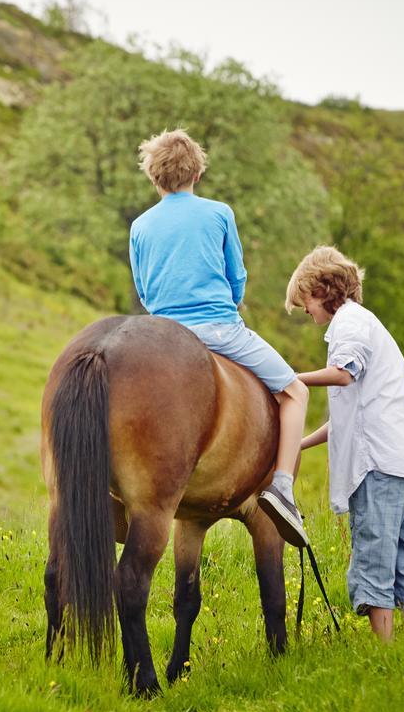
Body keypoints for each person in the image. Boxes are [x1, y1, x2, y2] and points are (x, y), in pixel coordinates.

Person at [128, 128, 310, 545]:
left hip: (164, 335)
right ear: (197, 173)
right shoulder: (219, 213)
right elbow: (237, 277)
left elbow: (143, 288)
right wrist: (232, 301)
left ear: (154, 178)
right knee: (296, 391)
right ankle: (282, 486)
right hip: (219, 329)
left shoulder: (139, 225)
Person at [286, 245, 404, 640]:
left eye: (304, 301)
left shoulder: (348, 325)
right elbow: (346, 416)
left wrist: (288, 377)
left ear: (321, 291)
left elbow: (343, 374)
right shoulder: (367, 323)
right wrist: (300, 443)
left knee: (374, 557)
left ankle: (384, 653)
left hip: (378, 465)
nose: (306, 312)